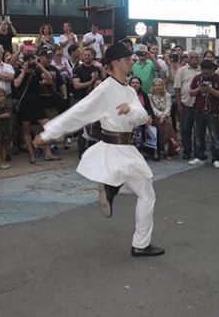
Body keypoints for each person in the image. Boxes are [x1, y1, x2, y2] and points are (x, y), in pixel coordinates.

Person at [34, 43, 165, 257]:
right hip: (115, 149)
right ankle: (139, 243)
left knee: (146, 192)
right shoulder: (104, 89)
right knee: (147, 193)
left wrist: (130, 108)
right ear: (116, 63)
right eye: (128, 58)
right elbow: (78, 112)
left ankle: (112, 188)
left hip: (127, 148)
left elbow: (143, 116)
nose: (132, 61)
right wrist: (48, 134)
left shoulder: (129, 90)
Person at [188, 59, 219, 168]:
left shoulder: (218, 79)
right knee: (198, 135)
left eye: (207, 73)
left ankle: (216, 158)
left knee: (215, 135)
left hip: (212, 111)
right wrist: (199, 89)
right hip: (198, 110)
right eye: (203, 72)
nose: (205, 75)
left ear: (212, 70)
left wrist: (211, 90)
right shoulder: (197, 78)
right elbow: (191, 93)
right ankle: (199, 156)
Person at [174, 51, 201, 160]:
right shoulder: (182, 70)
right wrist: (179, 104)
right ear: (188, 59)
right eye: (192, 57)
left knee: (198, 130)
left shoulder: (201, 70)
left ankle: (197, 152)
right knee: (185, 129)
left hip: (199, 105)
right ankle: (187, 151)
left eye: (196, 57)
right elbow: (177, 88)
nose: (194, 59)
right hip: (186, 104)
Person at [149, 78, 180, 160]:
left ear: (163, 86)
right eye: (156, 85)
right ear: (153, 86)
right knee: (165, 125)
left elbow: (168, 107)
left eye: (160, 85)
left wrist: (164, 115)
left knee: (166, 123)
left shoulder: (167, 95)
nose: (158, 87)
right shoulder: (150, 96)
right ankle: (172, 142)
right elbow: (153, 108)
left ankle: (167, 149)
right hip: (156, 117)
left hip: (166, 116)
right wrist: (160, 115)